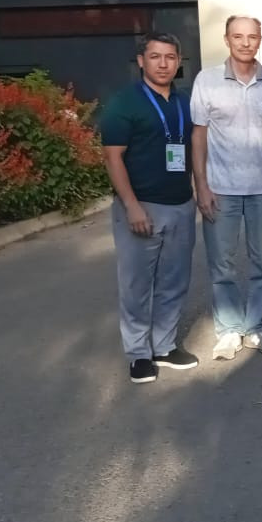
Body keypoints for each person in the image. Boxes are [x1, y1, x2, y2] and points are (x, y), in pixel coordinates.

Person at [100, 32, 199, 384]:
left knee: (174, 281)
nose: (163, 64)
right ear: (141, 61)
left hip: (181, 204)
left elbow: (195, 148)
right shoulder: (124, 103)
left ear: (178, 62)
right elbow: (113, 158)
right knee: (137, 285)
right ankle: (139, 354)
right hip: (141, 206)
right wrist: (131, 206)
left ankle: (164, 346)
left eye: (170, 57)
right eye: (155, 57)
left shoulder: (185, 101)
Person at [190, 15, 262, 361]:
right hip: (221, 187)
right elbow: (198, 135)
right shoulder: (207, 80)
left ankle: (259, 327)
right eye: (238, 36)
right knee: (223, 265)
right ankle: (230, 329)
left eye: (252, 37)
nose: (245, 43)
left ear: (260, 39)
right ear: (227, 39)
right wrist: (201, 185)